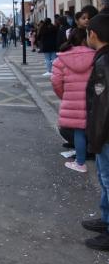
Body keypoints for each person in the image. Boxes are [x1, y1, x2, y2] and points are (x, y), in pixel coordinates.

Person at [81, 14, 109, 250]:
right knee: (104, 178)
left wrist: (95, 137)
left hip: (105, 134)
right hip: (103, 133)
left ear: (94, 34)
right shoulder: (102, 59)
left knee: (108, 180)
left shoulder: (104, 63)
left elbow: (103, 105)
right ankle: (106, 219)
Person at [51, 28, 95, 173]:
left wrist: (65, 96)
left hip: (73, 101)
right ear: (86, 39)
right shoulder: (96, 56)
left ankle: (80, 163)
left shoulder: (61, 59)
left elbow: (56, 82)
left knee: (79, 132)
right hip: (94, 101)